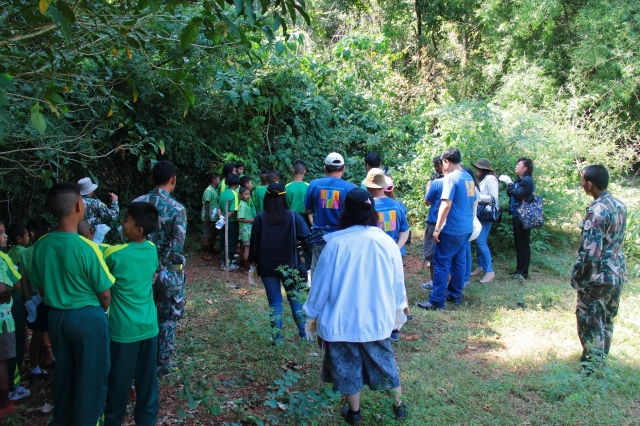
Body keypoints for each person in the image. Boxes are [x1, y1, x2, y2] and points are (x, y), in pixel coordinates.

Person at [303, 188, 408, 424]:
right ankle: (399, 406)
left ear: (345, 212)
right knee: (385, 363)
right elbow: (397, 283)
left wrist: (310, 316)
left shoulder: (335, 245)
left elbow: (320, 287)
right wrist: (399, 309)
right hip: (377, 319)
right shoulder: (387, 243)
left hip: (341, 320)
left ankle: (354, 413)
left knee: (346, 368)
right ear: (373, 212)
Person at [30, 182, 115, 426]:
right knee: (92, 376)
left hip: (57, 317)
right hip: (88, 317)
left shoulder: (42, 245)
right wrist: (103, 311)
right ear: (79, 206)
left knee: (65, 373)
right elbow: (105, 293)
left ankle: (62, 419)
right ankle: (88, 420)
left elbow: (41, 288)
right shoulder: (87, 247)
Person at [103, 202, 160, 426]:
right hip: (149, 326)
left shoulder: (113, 254)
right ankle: (147, 421)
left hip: (123, 330)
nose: (122, 222)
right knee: (147, 381)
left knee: (118, 382)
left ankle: (112, 420)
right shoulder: (152, 249)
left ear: (138, 230)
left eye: (126, 220)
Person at [133, 161, 187, 378]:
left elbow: (127, 237)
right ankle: (162, 365)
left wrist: (148, 266)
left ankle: (139, 362)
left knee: (140, 315)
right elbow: (177, 244)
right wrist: (160, 266)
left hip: (139, 272)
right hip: (169, 273)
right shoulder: (177, 209)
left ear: (152, 178)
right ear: (173, 180)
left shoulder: (136, 204)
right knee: (167, 319)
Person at [571, 165, 627, 372]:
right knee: (606, 320)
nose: (581, 184)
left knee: (590, 321)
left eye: (582, 180)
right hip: (617, 272)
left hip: (598, 276)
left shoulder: (597, 211)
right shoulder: (619, 205)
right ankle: (599, 363)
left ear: (589, 184)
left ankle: (591, 369)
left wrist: (579, 278)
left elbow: (590, 252)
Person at [248, 183, 310, 343]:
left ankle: (278, 339)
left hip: (267, 266)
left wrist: (252, 265)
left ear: (267, 198)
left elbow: (254, 245)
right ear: (284, 197)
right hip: (290, 265)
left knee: (275, 303)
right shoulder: (293, 216)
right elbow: (307, 238)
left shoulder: (260, 218)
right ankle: (305, 336)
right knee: (295, 300)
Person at [417, 148, 476, 310]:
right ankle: (455, 294)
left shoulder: (451, 178)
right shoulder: (469, 178)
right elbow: (472, 201)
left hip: (452, 228)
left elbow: (446, 204)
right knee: (459, 262)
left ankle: (437, 300)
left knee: (441, 262)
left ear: (446, 161)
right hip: (466, 227)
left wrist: (437, 229)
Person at [363, 168, 412, 340]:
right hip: (396, 255)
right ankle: (395, 328)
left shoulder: (367, 207)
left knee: (378, 289)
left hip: (375, 256)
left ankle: (380, 325)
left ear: (368, 187)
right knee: (396, 287)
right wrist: (396, 248)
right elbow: (405, 231)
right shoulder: (397, 205)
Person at [304, 153, 356, 281]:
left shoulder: (314, 185)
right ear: (343, 168)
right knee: (341, 274)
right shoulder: (351, 188)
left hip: (320, 237)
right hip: (343, 238)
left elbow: (308, 210)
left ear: (325, 168)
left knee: (318, 274)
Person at [0, 221, 26, 417]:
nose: (5, 236)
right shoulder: (3, 258)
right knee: (4, 358)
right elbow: (14, 284)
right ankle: (6, 399)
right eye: (1, 233)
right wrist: (6, 292)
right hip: (4, 316)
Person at [24, 217, 53, 384]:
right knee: (55, 334)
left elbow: (24, 280)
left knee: (37, 336)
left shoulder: (28, 252)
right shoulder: (53, 247)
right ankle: (57, 361)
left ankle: (35, 368)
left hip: (37, 298)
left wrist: (29, 301)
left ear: (32, 233)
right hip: (54, 297)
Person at [5, 223, 31, 401]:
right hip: (13, 301)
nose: (4, 236)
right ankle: (13, 386)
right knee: (15, 342)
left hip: (11, 302)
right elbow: (18, 282)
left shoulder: (9, 253)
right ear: (20, 238)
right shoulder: (20, 253)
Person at [499, 157, 535, 279]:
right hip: (517, 214)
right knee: (519, 243)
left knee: (523, 243)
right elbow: (512, 193)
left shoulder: (526, 180)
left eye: (518, 165)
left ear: (525, 168)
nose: (516, 166)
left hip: (523, 215)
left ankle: (523, 272)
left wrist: (509, 183)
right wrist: (511, 185)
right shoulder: (520, 180)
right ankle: (519, 269)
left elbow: (519, 194)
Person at [471, 158, 499, 283]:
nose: (476, 170)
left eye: (478, 168)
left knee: (481, 242)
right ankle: (480, 266)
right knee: (478, 241)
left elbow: (493, 198)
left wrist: (477, 197)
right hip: (480, 214)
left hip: (486, 214)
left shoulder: (490, 179)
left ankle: (489, 271)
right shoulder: (482, 179)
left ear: (483, 169)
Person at [286, 160, 312, 268]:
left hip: (291, 217)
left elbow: (285, 205)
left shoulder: (287, 187)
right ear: (304, 171)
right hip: (306, 217)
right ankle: (308, 267)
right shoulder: (308, 186)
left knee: (291, 241)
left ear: (293, 171)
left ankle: (291, 266)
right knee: (308, 241)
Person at [421, 173, 445, 291]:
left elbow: (427, 201)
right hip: (450, 223)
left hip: (434, 222)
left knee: (432, 254)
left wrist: (428, 188)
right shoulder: (457, 181)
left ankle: (435, 282)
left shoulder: (436, 183)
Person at [218, 173, 240, 271]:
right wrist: (225, 219)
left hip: (222, 222)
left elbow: (218, 207)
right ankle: (228, 263)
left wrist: (221, 218)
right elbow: (233, 210)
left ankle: (223, 260)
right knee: (231, 242)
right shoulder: (234, 194)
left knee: (223, 241)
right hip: (231, 222)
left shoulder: (223, 193)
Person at [201, 173, 221, 261]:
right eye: (218, 179)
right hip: (209, 216)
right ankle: (205, 252)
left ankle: (211, 249)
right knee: (207, 234)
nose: (219, 181)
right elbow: (207, 202)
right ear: (214, 180)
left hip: (214, 216)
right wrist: (207, 216)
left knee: (213, 233)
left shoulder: (215, 190)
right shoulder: (208, 190)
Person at [237, 187, 256, 271]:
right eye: (245, 194)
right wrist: (252, 220)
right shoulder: (242, 205)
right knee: (247, 248)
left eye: (249, 194)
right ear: (240, 195)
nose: (248, 196)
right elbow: (239, 218)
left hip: (247, 229)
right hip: (246, 230)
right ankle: (247, 268)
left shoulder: (246, 203)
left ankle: (242, 263)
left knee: (244, 247)